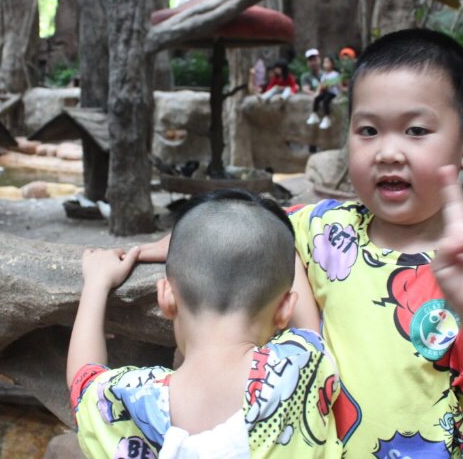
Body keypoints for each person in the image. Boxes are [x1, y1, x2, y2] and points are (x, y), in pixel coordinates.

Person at [287, 28, 463, 457]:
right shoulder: (326, 230)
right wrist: (308, 339)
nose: (387, 152)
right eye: (368, 130)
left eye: (415, 130)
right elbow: (260, 229)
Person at [68, 189, 342, 458]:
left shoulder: (137, 400)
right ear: (284, 309)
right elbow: (306, 328)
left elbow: (83, 381)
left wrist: (96, 282)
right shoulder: (302, 365)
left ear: (167, 297)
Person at [306, 55, 342, 130]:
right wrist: (317, 93)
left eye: (327, 62)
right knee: (317, 99)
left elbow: (338, 84)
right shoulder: (324, 74)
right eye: (325, 62)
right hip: (325, 92)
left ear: (332, 64)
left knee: (325, 101)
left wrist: (340, 92)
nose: (325, 64)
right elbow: (321, 85)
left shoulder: (335, 74)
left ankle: (327, 117)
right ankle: (314, 114)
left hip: (333, 92)